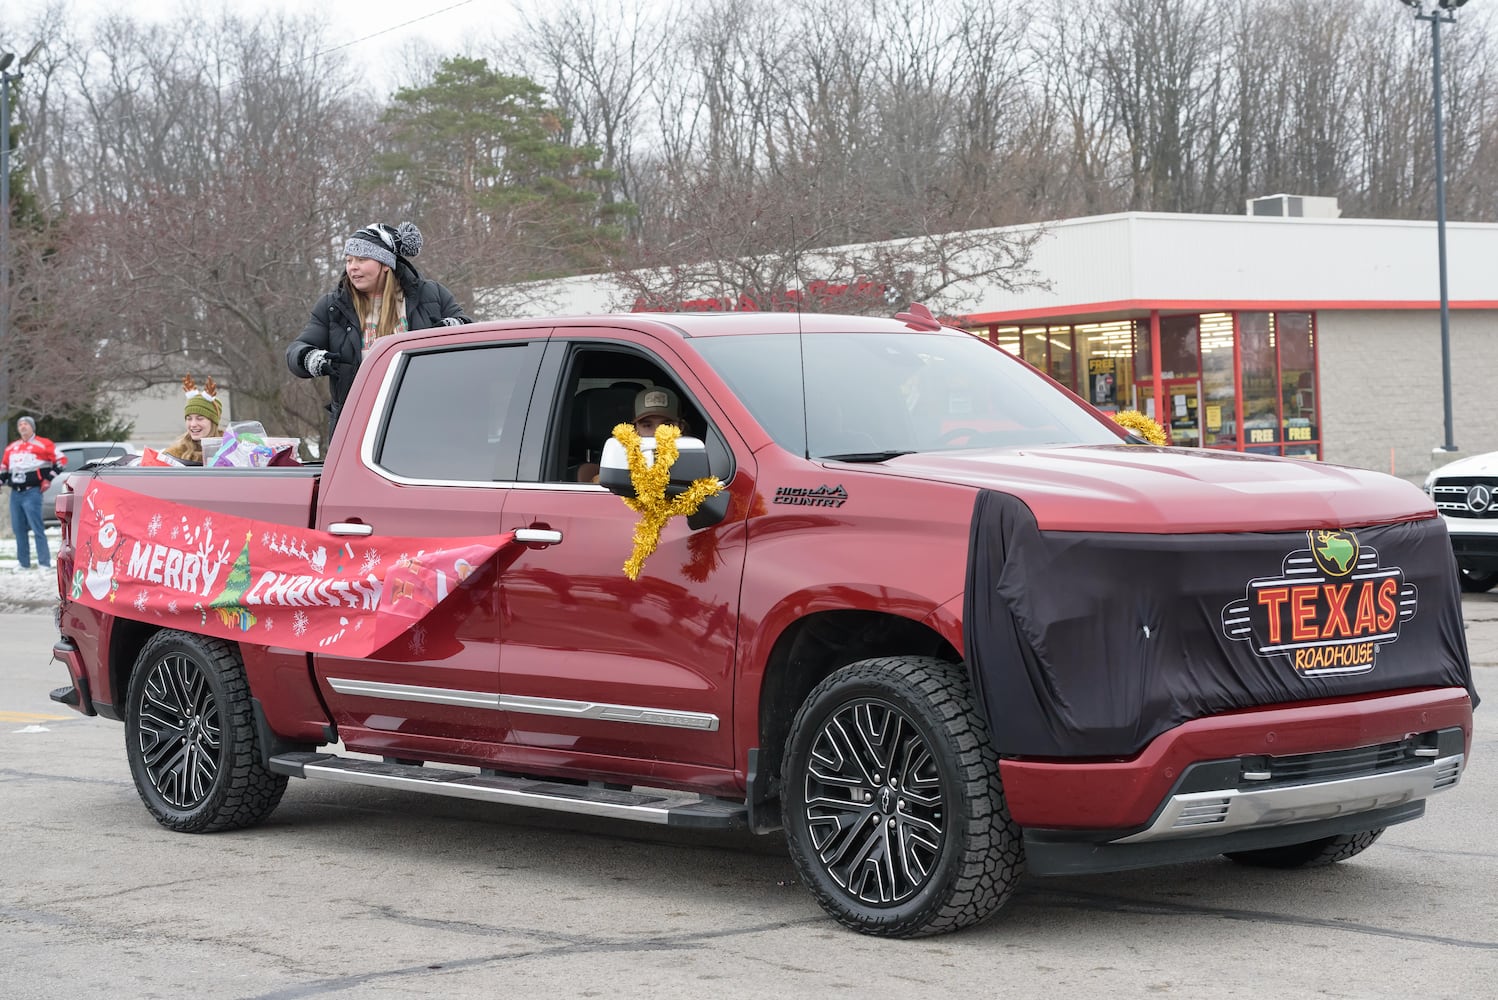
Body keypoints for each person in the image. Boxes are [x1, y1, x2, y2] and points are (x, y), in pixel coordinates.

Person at [286, 221, 472, 445]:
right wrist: (310, 358)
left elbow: (467, 329)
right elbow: (296, 351)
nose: (352, 267)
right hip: (358, 427)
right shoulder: (332, 306)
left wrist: (448, 329)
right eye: (349, 260)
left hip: (426, 421)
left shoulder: (431, 294)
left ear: (385, 264)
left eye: (361, 259)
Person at [579, 387, 688, 482]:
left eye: (667, 424)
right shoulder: (620, 459)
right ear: (635, 430)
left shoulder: (693, 460)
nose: (657, 433)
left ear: (680, 427)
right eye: (647, 425)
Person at [2, 415, 61, 569]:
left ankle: (44, 562)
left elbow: (61, 461)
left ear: (32, 427)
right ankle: (23, 563)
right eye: (20, 424)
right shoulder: (12, 447)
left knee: (37, 527)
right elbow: (4, 467)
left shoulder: (44, 444)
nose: (23, 427)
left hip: (32, 492)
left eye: (26, 424)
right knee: (18, 529)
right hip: (15, 493)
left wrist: (48, 478)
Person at [161, 375, 223, 466]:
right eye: (189, 418)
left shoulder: (231, 450)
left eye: (200, 418)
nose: (193, 424)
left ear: (213, 422)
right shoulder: (174, 454)